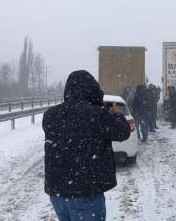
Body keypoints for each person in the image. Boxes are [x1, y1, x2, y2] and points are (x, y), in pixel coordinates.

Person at [42, 70, 131, 221]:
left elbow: (73, 132)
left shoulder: (50, 115)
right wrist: (115, 113)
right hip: (84, 194)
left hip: (57, 194)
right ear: (92, 90)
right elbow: (123, 131)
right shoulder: (97, 115)